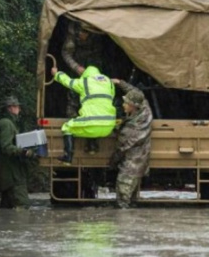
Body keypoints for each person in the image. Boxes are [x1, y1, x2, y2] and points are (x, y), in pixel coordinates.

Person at [50, 64, 117, 163]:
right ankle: (92, 146)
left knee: (67, 127)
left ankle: (68, 157)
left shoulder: (84, 82)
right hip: (109, 126)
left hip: (92, 124)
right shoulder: (109, 83)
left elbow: (67, 81)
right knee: (92, 124)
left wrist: (56, 74)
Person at [109, 78, 153, 209]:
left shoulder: (131, 129)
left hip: (131, 164)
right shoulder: (145, 108)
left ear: (133, 106)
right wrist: (120, 82)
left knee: (122, 200)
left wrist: (112, 163)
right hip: (139, 162)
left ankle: (124, 224)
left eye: (126, 103)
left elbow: (121, 149)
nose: (123, 105)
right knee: (130, 200)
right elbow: (136, 92)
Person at [0, 96, 37, 209]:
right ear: (10, 108)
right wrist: (24, 152)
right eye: (17, 106)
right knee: (23, 206)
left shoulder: (7, 123)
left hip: (9, 173)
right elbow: (6, 147)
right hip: (12, 174)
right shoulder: (6, 124)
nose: (19, 109)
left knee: (6, 209)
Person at [61, 22, 105, 117]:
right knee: (74, 91)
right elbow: (66, 53)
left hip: (94, 63)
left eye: (86, 33)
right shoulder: (72, 34)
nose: (83, 35)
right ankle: (72, 115)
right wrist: (76, 67)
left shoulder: (98, 31)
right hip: (78, 63)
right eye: (82, 32)